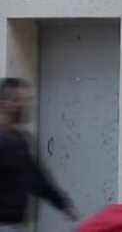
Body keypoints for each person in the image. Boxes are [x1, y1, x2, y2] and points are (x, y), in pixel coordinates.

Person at [0, 78, 77, 231]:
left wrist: (62, 204)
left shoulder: (21, 139)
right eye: (19, 101)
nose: (26, 106)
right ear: (4, 104)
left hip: (15, 225)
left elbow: (36, 178)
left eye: (27, 100)